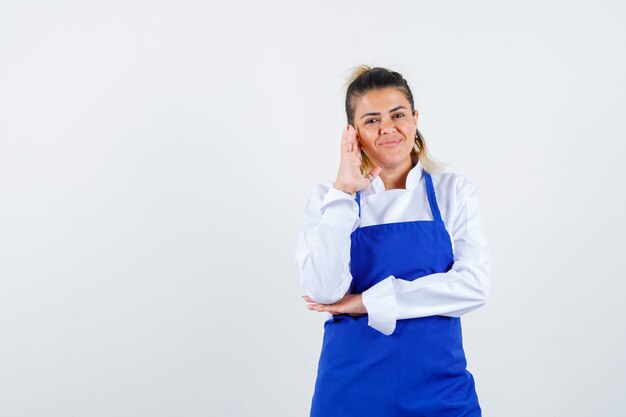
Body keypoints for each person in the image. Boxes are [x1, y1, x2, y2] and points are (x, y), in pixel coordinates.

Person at [294, 66, 492, 417]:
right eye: (372, 120)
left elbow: (474, 287)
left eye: (397, 114)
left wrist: (368, 301)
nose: (388, 127)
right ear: (352, 133)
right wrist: (344, 191)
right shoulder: (330, 198)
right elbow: (323, 291)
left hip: (441, 393)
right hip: (351, 393)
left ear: (414, 119)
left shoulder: (452, 192)